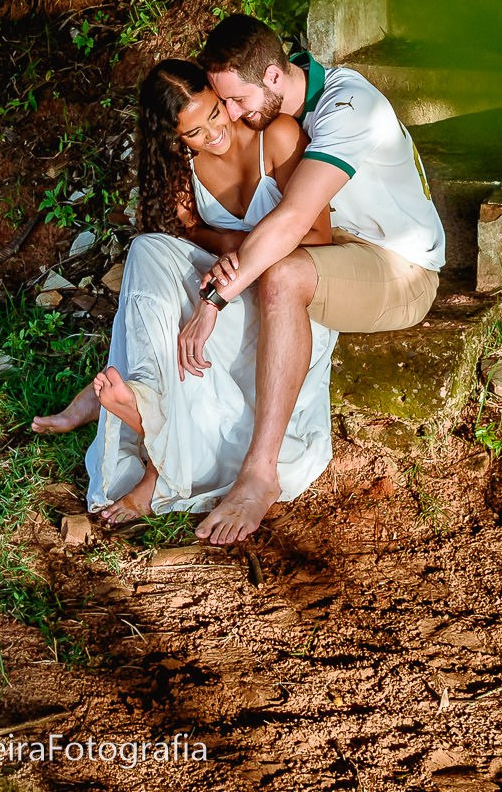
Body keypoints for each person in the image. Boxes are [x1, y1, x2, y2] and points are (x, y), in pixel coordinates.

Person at [32, 59, 339, 524]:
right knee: (148, 251)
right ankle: (147, 403)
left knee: (185, 301)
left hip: (281, 297)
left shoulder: (276, 137)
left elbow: (317, 237)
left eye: (216, 112)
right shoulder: (184, 163)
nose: (214, 133)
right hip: (225, 283)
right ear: (175, 137)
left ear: (222, 95)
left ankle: (152, 460)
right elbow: (191, 232)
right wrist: (228, 253)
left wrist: (244, 256)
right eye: (194, 132)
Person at [179, 13, 445, 545]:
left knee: (278, 276)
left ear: (274, 78)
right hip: (337, 254)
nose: (230, 115)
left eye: (235, 102)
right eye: (222, 102)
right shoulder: (281, 106)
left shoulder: (348, 107)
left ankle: (260, 473)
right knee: (217, 264)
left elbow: (295, 220)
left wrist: (215, 300)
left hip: (400, 269)